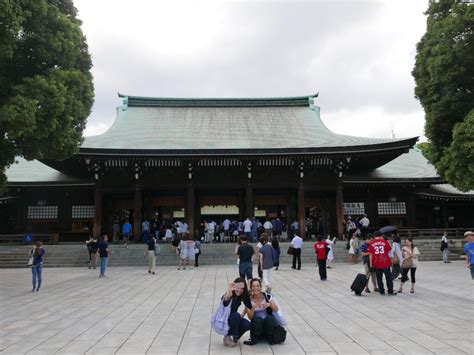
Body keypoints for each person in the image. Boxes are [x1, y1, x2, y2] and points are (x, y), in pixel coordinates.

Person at [244, 278, 279, 346]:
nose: (256, 288)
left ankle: (270, 338)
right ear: (251, 287)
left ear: (260, 287)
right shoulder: (248, 300)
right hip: (256, 325)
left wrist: (269, 304)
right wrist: (253, 308)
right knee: (258, 319)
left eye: (257, 286)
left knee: (270, 318)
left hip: (268, 325)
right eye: (253, 286)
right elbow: (250, 317)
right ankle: (255, 339)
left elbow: (276, 309)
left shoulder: (267, 296)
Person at [221, 278, 253, 347]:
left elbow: (248, 305)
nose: (239, 290)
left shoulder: (243, 295)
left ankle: (235, 336)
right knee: (236, 315)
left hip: (234, 319)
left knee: (247, 324)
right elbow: (224, 302)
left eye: (242, 288)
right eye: (237, 288)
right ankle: (227, 336)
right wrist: (229, 289)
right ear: (234, 287)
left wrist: (243, 314)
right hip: (225, 320)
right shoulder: (229, 294)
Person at [368, 231, 396, 295]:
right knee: (388, 278)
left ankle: (382, 291)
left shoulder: (372, 243)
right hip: (385, 262)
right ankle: (390, 291)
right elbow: (389, 251)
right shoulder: (385, 242)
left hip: (376, 263)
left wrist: (371, 264)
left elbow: (370, 255)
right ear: (380, 236)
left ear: (374, 236)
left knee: (379, 278)